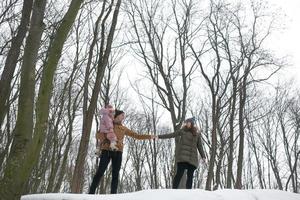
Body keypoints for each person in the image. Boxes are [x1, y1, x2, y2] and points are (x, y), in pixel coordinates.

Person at [89, 109, 156, 194]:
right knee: (100, 171)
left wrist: (150, 136)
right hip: (106, 150)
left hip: (118, 152)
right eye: (122, 115)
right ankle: (91, 193)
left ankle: (113, 195)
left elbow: (137, 136)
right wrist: (106, 137)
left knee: (115, 174)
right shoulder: (108, 124)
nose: (123, 117)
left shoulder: (123, 128)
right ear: (116, 116)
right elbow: (98, 135)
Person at [157, 117, 206, 189]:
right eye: (186, 122)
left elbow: (200, 146)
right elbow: (171, 135)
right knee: (179, 173)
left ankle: (188, 192)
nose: (187, 124)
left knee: (190, 176)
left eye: (189, 122)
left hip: (192, 158)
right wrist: (158, 136)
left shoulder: (197, 134)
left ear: (192, 123)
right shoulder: (182, 131)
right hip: (183, 157)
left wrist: (203, 156)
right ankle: (173, 190)